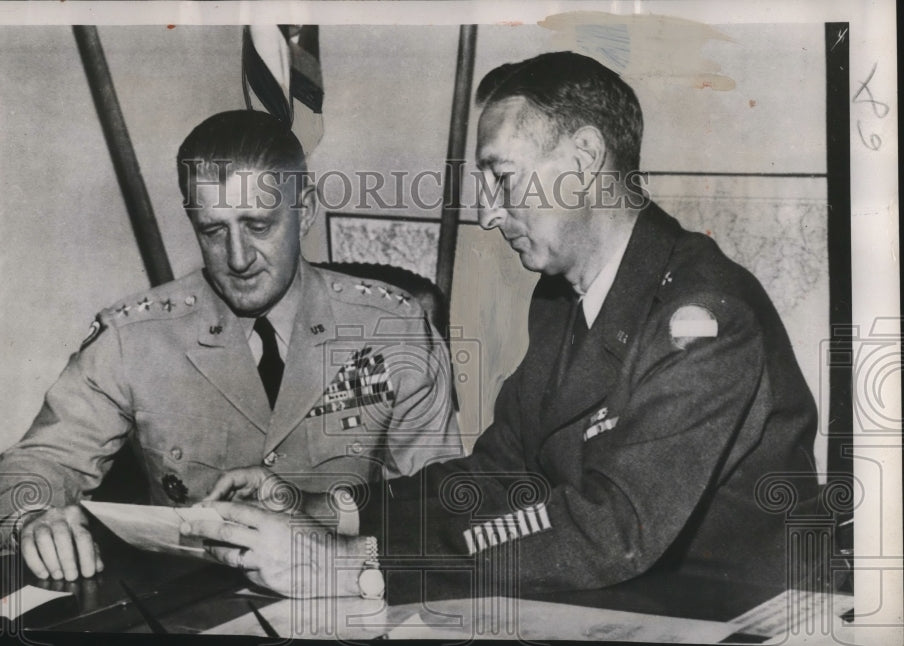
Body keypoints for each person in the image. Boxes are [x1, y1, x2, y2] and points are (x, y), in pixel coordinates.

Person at [182, 52, 820, 601]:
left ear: (585, 157)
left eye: (501, 176)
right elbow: (494, 477)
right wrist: (319, 509)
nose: (488, 212)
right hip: (616, 603)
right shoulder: (564, 298)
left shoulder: (707, 317)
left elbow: (610, 531)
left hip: (733, 613)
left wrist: (355, 567)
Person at [0, 110, 462, 582]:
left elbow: (437, 507)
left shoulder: (393, 328)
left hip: (346, 592)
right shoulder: (136, 338)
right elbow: (35, 462)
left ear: (306, 210)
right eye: (213, 231)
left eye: (259, 226)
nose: (238, 258)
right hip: (188, 607)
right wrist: (34, 516)